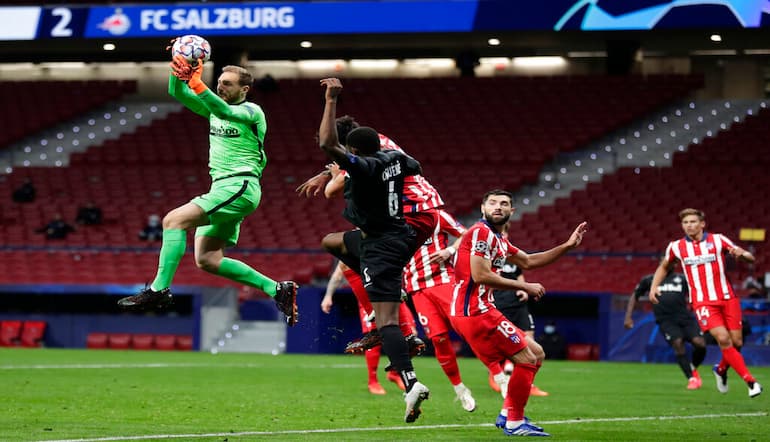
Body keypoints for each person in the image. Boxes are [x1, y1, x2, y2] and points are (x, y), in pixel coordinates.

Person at [116, 50, 297, 327]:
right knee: (208, 259)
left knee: (173, 221)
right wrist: (178, 71)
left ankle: (159, 289)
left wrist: (198, 82)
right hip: (226, 188)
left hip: (240, 185)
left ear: (244, 89)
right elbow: (177, 93)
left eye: (227, 83)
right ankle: (277, 289)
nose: (220, 86)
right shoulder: (214, 110)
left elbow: (224, 109)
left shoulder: (251, 111)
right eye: (220, 82)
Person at [316, 77, 429, 423]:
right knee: (331, 240)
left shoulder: (363, 167)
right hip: (389, 236)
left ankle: (411, 381)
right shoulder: (394, 158)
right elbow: (415, 166)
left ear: (353, 151)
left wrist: (331, 99)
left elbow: (326, 142)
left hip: (382, 246)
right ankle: (384, 296)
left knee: (386, 321)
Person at [450, 189, 587, 437]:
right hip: (473, 311)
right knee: (526, 359)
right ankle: (514, 422)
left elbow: (529, 262)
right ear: (483, 208)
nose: (498, 207)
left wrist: (567, 246)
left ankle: (508, 414)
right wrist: (524, 285)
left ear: (512, 211)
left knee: (536, 353)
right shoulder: (481, 232)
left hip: (483, 309)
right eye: (492, 203)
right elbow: (479, 275)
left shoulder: (500, 240)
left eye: (504, 204)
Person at [650, 208, 761, 398]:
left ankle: (720, 370)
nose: (689, 225)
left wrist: (741, 254)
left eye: (693, 222)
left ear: (702, 224)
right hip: (703, 302)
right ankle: (751, 382)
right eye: (685, 223)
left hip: (728, 298)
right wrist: (653, 287)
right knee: (724, 339)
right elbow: (664, 267)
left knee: (737, 343)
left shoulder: (718, 240)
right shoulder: (676, 247)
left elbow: (750, 258)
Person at [402, 208, 476, 412]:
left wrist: (450, 251)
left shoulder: (435, 215)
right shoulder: (393, 221)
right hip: (417, 290)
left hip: (443, 281)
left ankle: (500, 375)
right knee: (438, 339)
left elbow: (466, 234)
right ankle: (460, 390)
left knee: (468, 328)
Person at [322, 261, 405, 395]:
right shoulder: (350, 249)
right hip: (367, 302)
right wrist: (328, 296)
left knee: (406, 334)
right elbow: (338, 273)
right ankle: (373, 381)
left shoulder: (377, 249)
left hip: (388, 296)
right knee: (373, 338)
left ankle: (395, 373)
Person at [625, 262, 707, 390]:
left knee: (700, 344)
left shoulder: (682, 279)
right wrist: (628, 317)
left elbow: (696, 292)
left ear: (675, 265)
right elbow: (635, 296)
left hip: (684, 317)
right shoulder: (650, 280)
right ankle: (692, 378)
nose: (669, 265)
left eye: (672, 262)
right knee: (678, 343)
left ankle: (691, 367)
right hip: (666, 320)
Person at [492, 241, 550, 398]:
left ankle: (527, 384)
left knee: (531, 344)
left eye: (505, 233)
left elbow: (520, 276)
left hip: (518, 304)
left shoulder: (512, 258)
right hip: (500, 304)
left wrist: (523, 289)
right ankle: (497, 374)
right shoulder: (489, 256)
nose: (503, 236)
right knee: (505, 343)